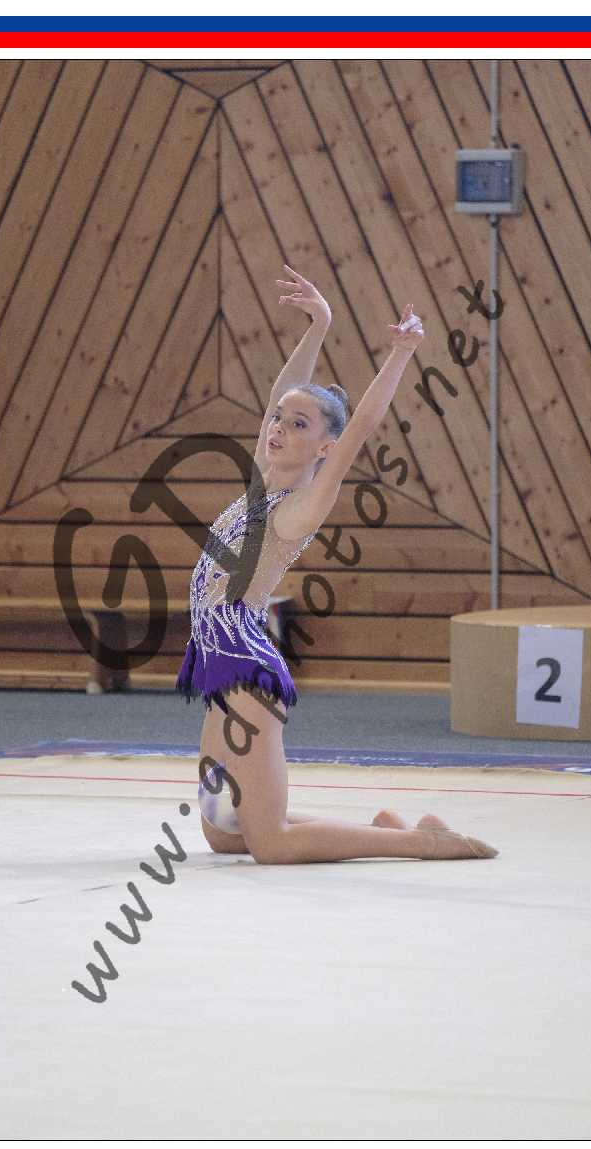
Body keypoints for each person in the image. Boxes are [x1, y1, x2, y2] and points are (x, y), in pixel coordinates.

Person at [176, 264, 498, 864]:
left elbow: (360, 429)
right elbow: (285, 391)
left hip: (245, 666)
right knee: (223, 829)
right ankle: (387, 827)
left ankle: (422, 843)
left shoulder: (300, 505)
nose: (277, 428)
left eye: (297, 425)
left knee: (270, 844)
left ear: (323, 447)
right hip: (218, 662)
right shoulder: (261, 480)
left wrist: (401, 354)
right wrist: (319, 324)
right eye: (277, 419)